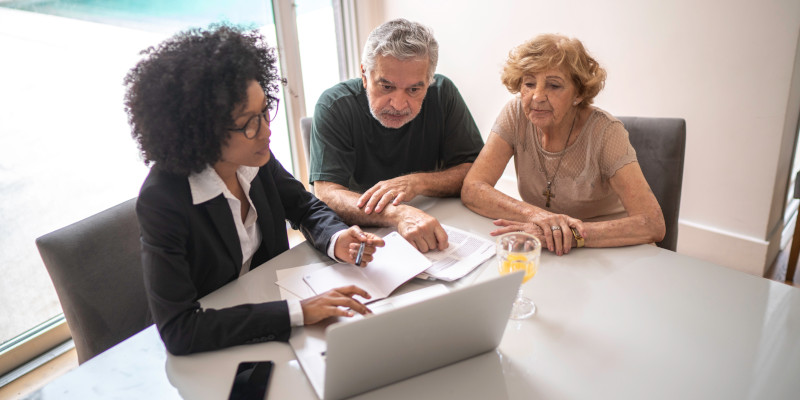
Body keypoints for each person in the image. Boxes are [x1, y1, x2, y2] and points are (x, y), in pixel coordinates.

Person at [124, 24, 384, 355]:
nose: (266, 130)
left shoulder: (253, 158)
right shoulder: (163, 201)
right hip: (219, 343)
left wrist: (336, 238)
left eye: (264, 110)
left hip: (268, 310)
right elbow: (180, 330)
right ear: (202, 133)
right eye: (249, 122)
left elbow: (304, 206)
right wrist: (300, 312)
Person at [461, 34, 665, 256]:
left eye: (554, 85)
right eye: (529, 83)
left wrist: (569, 234)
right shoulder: (516, 114)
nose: (537, 96)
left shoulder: (607, 132)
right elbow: (473, 188)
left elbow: (652, 224)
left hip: (614, 250)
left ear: (578, 93)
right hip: (555, 250)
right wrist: (537, 217)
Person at [309, 18, 484, 253]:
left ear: (429, 80)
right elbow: (326, 193)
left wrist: (417, 182)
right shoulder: (334, 105)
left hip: (436, 221)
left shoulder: (443, 93)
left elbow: (475, 171)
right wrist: (396, 213)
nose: (399, 104)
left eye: (414, 89)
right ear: (364, 75)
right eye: (386, 86)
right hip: (362, 237)